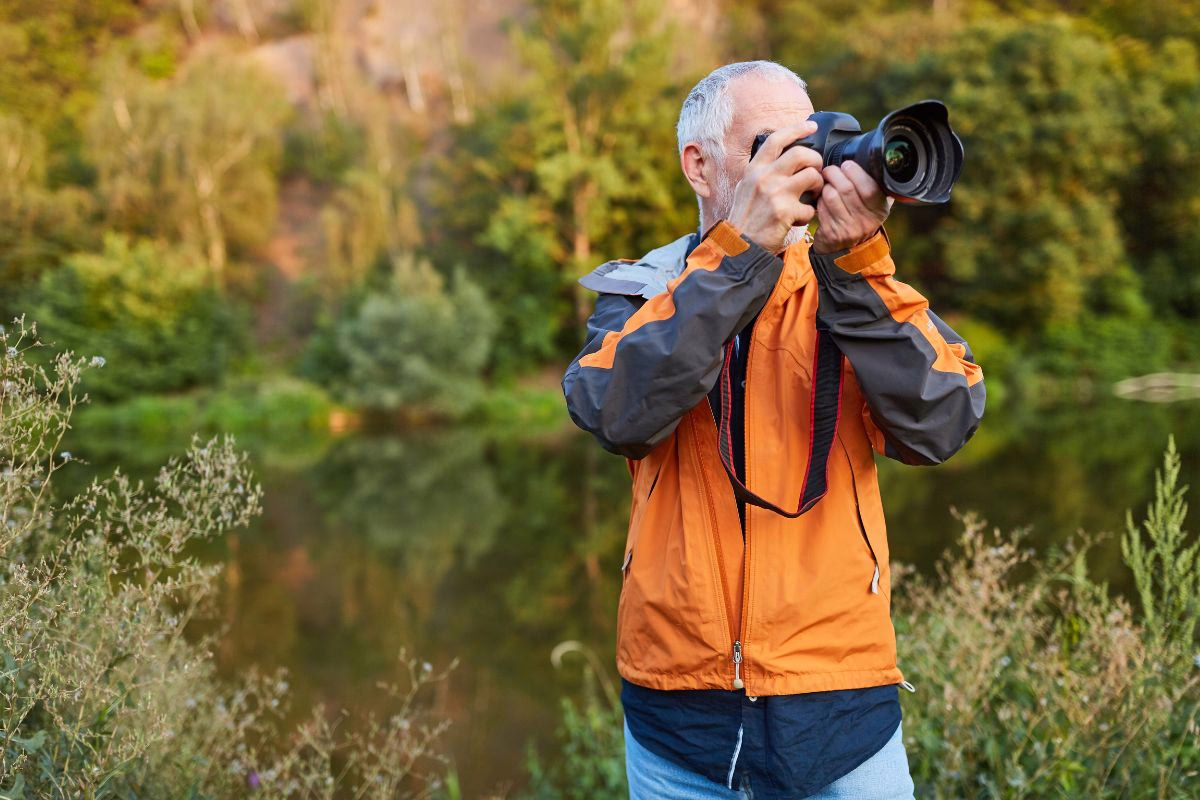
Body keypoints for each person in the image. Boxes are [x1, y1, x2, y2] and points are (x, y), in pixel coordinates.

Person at [562, 60, 985, 799]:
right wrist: (737, 258)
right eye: (769, 143)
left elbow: (942, 421)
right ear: (700, 166)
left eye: (811, 141)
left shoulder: (851, 283)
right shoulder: (648, 288)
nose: (805, 164)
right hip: (678, 719)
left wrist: (857, 269)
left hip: (842, 706)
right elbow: (615, 412)